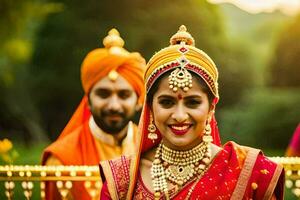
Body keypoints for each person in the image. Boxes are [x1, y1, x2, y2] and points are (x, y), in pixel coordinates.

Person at [100, 25, 284, 200]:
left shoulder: (248, 171)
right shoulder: (121, 179)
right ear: (150, 106)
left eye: (193, 103)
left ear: (211, 107)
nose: (179, 115)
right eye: (166, 102)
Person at [42, 28, 146, 200]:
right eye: (103, 94)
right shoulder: (62, 159)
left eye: (124, 95)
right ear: (88, 101)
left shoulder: (153, 150)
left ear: (138, 101)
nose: (114, 105)